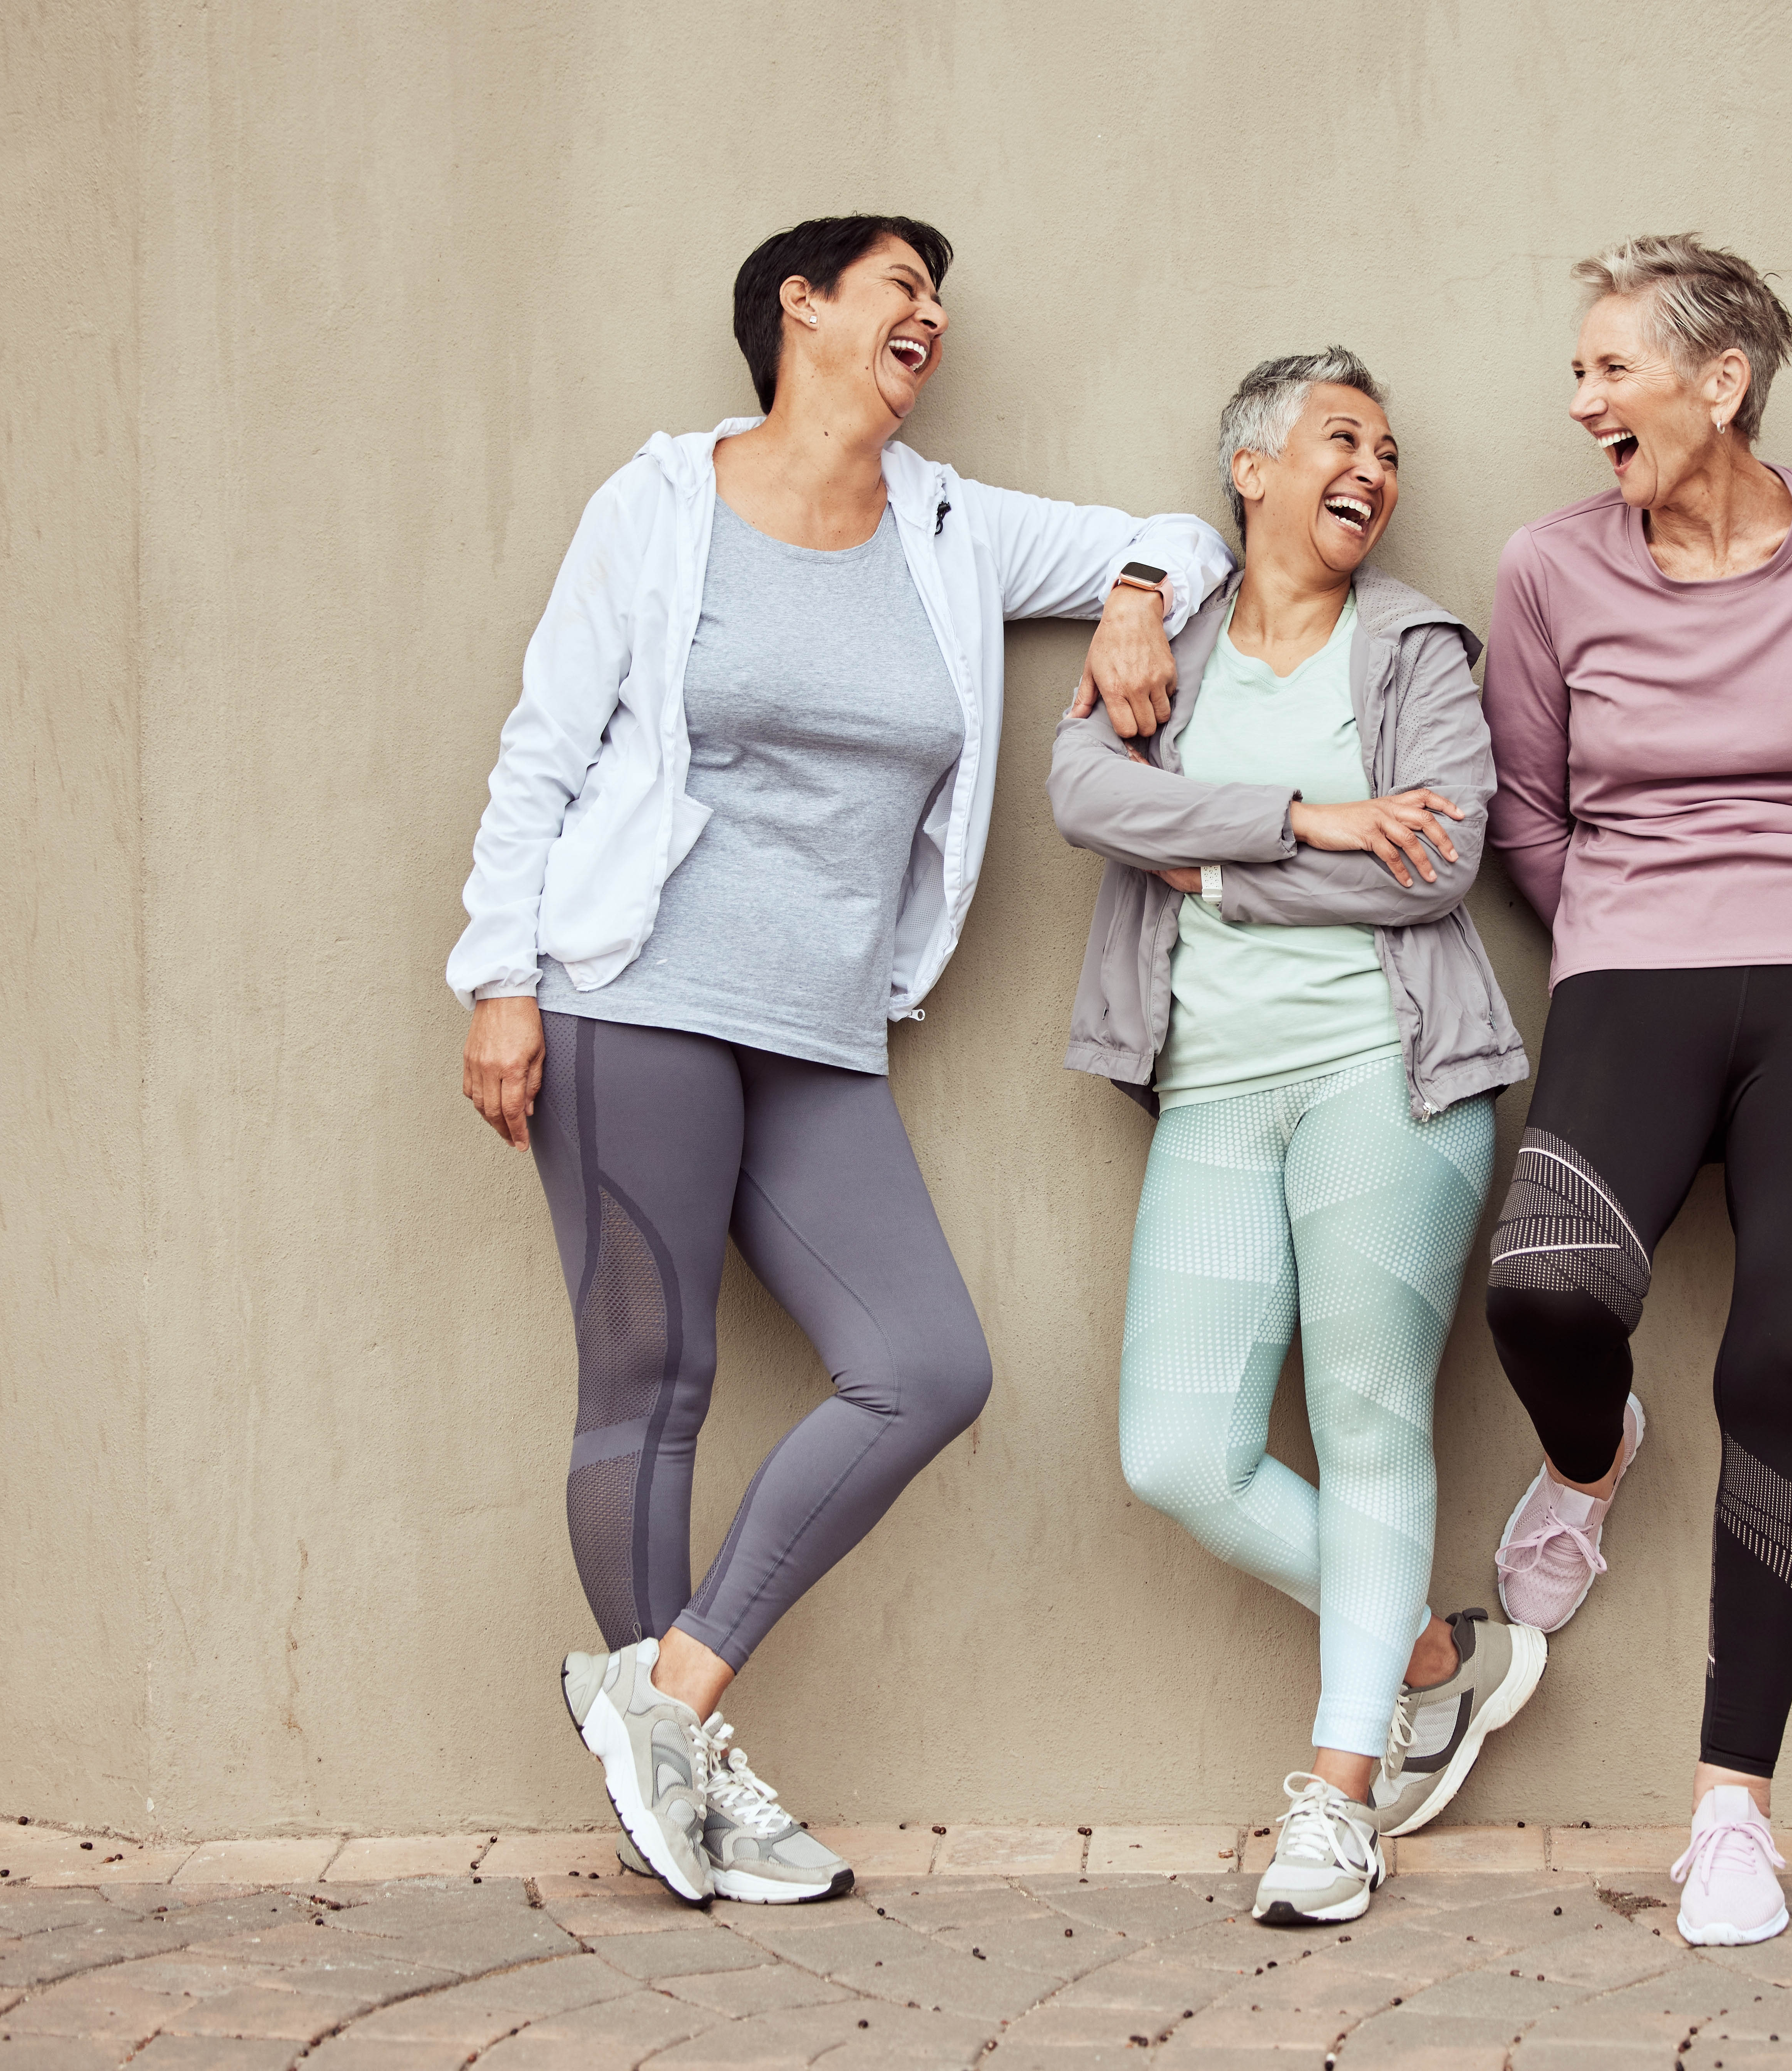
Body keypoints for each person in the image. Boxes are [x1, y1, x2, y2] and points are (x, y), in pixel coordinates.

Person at [447, 215, 1234, 1906]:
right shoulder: (657, 506)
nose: (929, 316)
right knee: (649, 1386)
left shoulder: (948, 523)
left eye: (937, 300)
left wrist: (1139, 601)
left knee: (927, 1365)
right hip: (629, 993)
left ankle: (667, 1703)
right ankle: (691, 1781)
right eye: (900, 286)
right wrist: (497, 975)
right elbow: (545, 741)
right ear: (797, 308)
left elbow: (1171, 532)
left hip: (820, 1031)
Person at [1478, 235, 1792, 1946]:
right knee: (1542, 1288)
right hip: (1626, 973)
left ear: (1718, 382)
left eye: (1608, 366)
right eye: (1582, 367)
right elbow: (1524, 807)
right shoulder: (1547, 568)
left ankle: (1732, 1807)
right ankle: (1593, 1451)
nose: (1579, 398)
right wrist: (1620, 927)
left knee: (1782, 1357)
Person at [1048, 349, 1541, 1928]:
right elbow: (1076, 788)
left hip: (1386, 1069)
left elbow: (1437, 861)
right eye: (1343, 438)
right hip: (1209, 1079)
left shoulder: (1415, 643)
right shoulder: (1165, 644)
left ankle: (1338, 1796)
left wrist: (1212, 863)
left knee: (1365, 1407)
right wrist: (1308, 817)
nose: (1373, 470)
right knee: (1178, 1448)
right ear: (1250, 468)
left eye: (1389, 451)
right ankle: (1429, 1661)